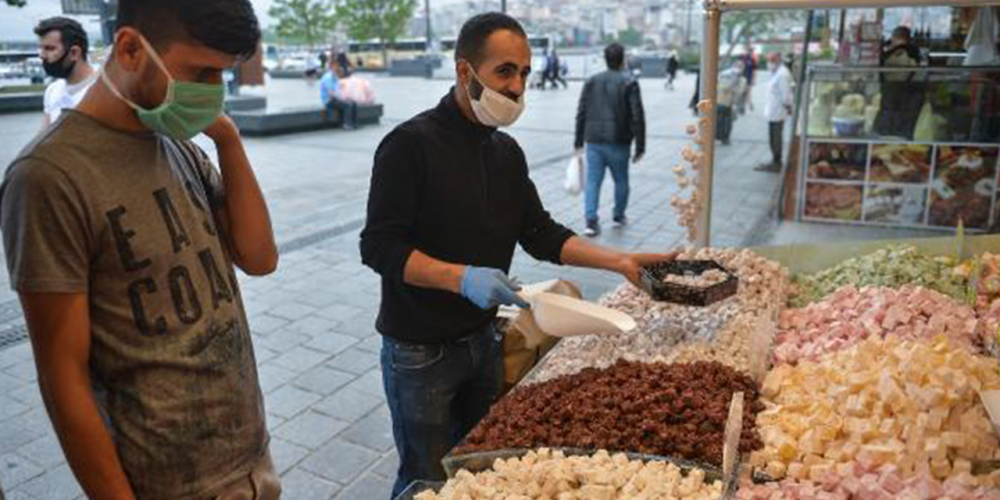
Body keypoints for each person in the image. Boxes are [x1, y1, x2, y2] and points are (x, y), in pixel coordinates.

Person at [360, 13, 674, 498]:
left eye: (525, 73)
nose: (517, 87)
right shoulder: (409, 146)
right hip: (421, 353)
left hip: (484, 341)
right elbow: (379, 246)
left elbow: (540, 233)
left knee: (480, 467)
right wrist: (461, 278)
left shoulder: (505, 152)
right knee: (424, 478)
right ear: (465, 72)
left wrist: (620, 262)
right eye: (505, 71)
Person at [0, 1, 280, 499]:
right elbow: (62, 377)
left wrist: (228, 139)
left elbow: (259, 258)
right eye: (202, 71)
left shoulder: (177, 143)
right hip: (167, 484)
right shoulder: (47, 178)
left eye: (224, 75)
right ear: (130, 48)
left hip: (251, 463)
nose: (214, 91)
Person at [574, 42, 646, 237]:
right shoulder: (629, 81)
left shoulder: (591, 81)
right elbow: (637, 115)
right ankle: (618, 215)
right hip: (619, 141)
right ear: (622, 59)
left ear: (605, 59)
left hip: (594, 141)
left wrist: (578, 141)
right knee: (621, 180)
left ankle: (591, 221)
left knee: (593, 181)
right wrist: (640, 146)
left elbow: (581, 112)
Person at [35, 17, 96, 128]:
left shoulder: (103, 90)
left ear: (74, 53)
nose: (42, 55)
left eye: (49, 48)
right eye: (41, 48)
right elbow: (44, 140)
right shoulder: (52, 91)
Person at [874, 26, 922, 139]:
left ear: (893, 37)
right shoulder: (915, 52)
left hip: (892, 93)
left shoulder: (896, 53)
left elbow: (887, 71)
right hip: (909, 96)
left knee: (889, 127)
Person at [757, 52, 793, 172]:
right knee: (772, 137)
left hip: (778, 111)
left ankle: (777, 162)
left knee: (776, 137)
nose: (769, 64)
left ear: (778, 60)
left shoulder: (782, 74)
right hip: (773, 111)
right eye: (769, 61)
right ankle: (774, 160)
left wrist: (788, 107)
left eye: (771, 61)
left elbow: (785, 95)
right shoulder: (776, 73)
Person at [320, 54, 358, 129]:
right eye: (335, 67)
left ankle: (353, 123)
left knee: (353, 102)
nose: (338, 68)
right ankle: (347, 124)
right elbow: (331, 93)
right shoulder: (328, 77)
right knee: (348, 105)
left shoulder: (335, 76)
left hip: (335, 98)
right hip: (328, 100)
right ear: (331, 68)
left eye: (338, 66)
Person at [716, 60, 746, 146]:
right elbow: (722, 87)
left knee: (728, 122)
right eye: (737, 66)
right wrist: (732, 83)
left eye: (741, 67)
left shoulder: (743, 80)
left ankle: (725, 138)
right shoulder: (724, 75)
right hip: (720, 101)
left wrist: (734, 85)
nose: (738, 68)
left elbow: (740, 92)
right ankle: (719, 136)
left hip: (731, 104)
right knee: (719, 120)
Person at [738, 47, 756, 114]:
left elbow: (754, 70)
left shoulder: (752, 60)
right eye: (749, 50)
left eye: (751, 51)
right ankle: (741, 106)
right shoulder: (741, 58)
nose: (750, 52)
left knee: (747, 93)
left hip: (749, 78)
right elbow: (738, 66)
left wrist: (754, 79)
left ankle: (745, 106)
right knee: (741, 93)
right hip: (742, 79)